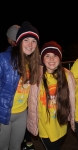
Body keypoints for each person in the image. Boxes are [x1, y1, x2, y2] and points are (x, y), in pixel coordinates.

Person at [27, 41, 75, 150]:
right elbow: (31, 101)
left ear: (60, 58)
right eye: (47, 56)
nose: (51, 59)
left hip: (61, 125)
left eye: (55, 55)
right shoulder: (36, 77)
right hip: (44, 126)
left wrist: (72, 119)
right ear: (42, 59)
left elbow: (72, 100)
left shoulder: (67, 75)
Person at [0, 21, 40, 150]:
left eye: (34, 41)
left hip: (22, 114)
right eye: (26, 40)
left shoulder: (33, 63)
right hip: (4, 113)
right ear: (19, 41)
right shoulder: (4, 59)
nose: (30, 44)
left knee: (16, 146)